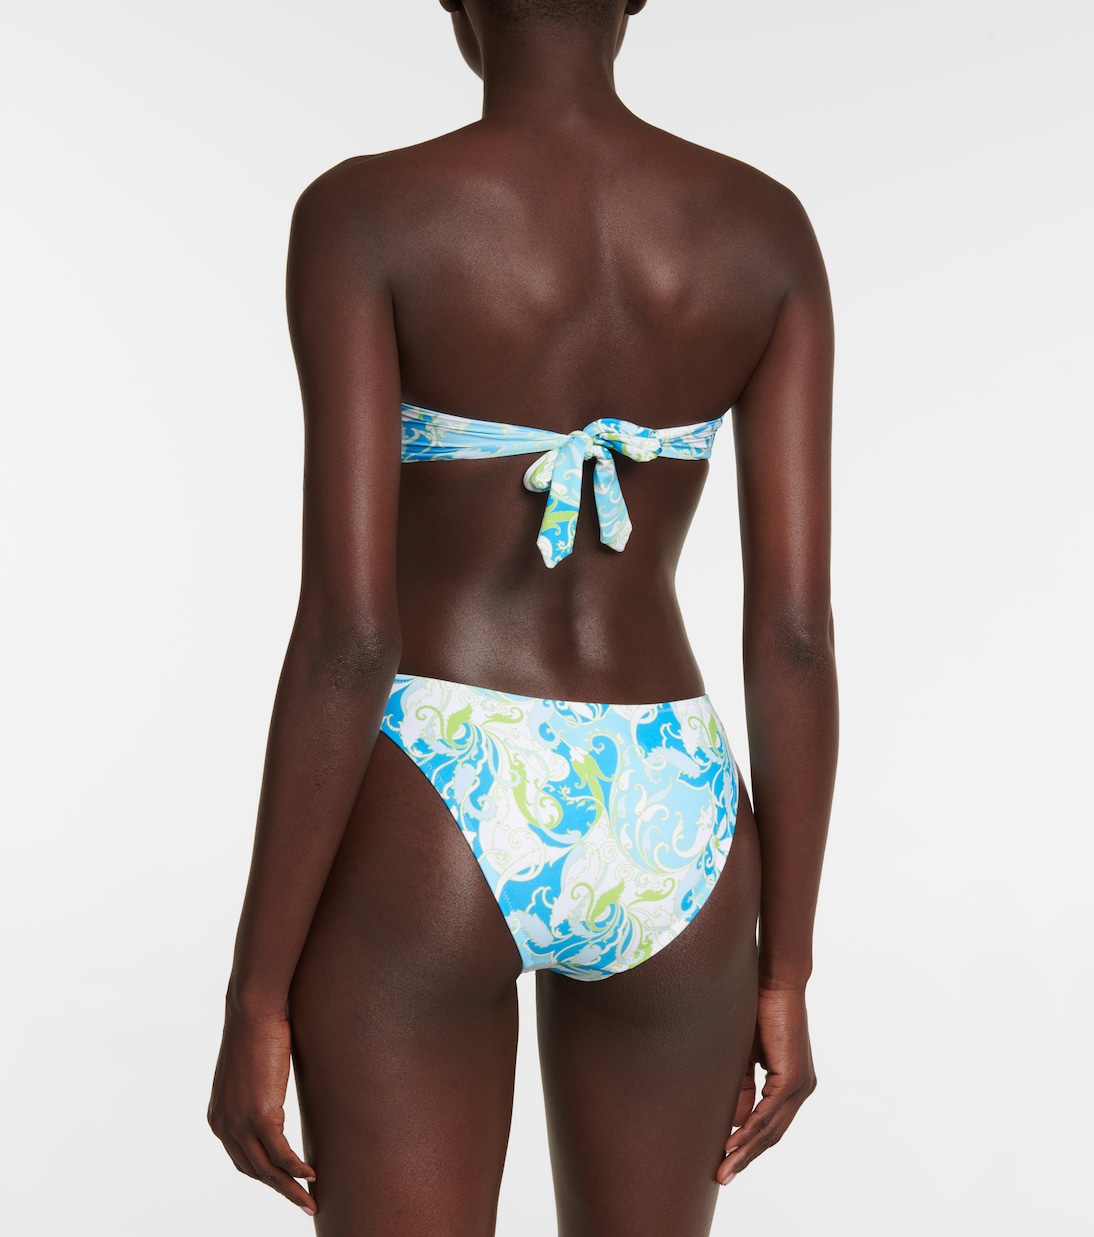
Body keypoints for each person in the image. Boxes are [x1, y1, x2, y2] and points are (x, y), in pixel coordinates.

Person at [207, 1, 838, 1233]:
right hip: (675, 815)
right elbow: (795, 634)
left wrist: (255, 992)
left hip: (434, 793)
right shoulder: (763, 230)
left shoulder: (366, 214)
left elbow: (349, 635)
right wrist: (787, 966)